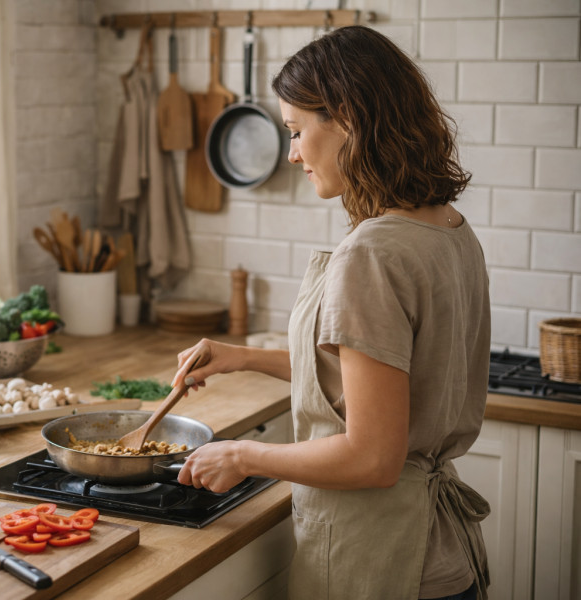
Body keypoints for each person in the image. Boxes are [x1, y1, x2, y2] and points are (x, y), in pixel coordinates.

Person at [171, 26, 491, 600]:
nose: (292, 153)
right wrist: (239, 357)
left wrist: (244, 455)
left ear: (346, 119)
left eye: (297, 130)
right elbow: (376, 382)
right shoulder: (446, 227)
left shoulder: (374, 253)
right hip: (441, 557)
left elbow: (372, 456)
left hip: (382, 561)